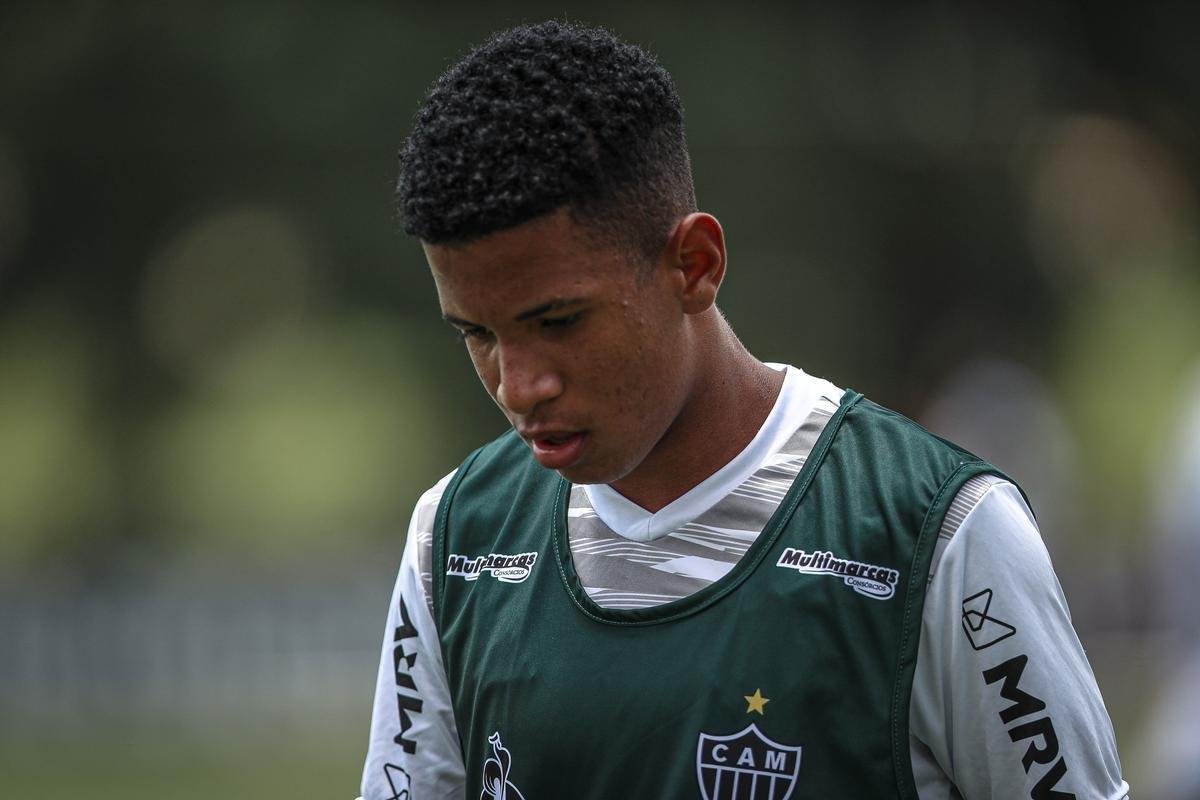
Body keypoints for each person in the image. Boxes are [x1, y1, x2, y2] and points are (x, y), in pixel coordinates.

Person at [359, 21, 1128, 800]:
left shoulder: (939, 535)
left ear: (694, 266)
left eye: (558, 322)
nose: (519, 386)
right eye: (478, 335)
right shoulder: (455, 540)